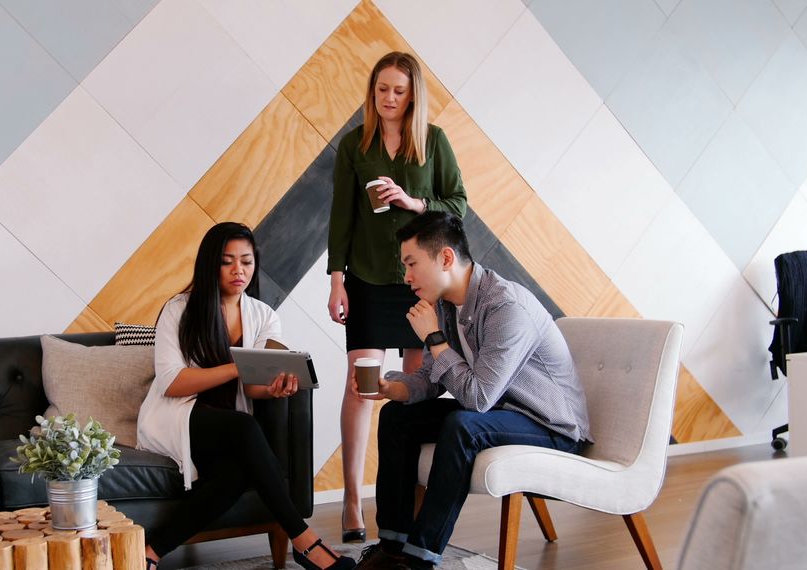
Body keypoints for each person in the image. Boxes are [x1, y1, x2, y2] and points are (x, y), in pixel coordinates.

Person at [353, 212, 592, 569]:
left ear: (445, 258)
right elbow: (433, 378)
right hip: (502, 413)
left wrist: (433, 338)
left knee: (462, 426)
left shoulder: (505, 307)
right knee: (396, 416)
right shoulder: (447, 306)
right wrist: (393, 389)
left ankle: (421, 558)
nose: (407, 277)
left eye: (412, 263)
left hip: (552, 427)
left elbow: (478, 399)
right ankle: (392, 549)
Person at [137, 222, 356, 570]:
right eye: (227, 262)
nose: (239, 270)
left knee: (237, 473)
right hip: (178, 414)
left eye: (246, 261)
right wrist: (238, 367)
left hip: (227, 421)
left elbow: (254, 386)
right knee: (243, 428)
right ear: (210, 264)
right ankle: (304, 540)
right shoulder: (179, 309)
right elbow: (172, 383)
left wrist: (273, 387)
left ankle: (150, 553)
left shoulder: (264, 315)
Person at [327, 51, 467, 543]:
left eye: (398, 91)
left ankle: (402, 502)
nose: (388, 98)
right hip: (365, 279)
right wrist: (336, 278)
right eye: (381, 89)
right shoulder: (354, 145)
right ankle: (350, 499)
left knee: (410, 395)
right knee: (361, 386)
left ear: (413, 95)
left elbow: (459, 204)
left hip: (418, 284)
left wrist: (413, 203)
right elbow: (341, 216)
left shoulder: (434, 142)